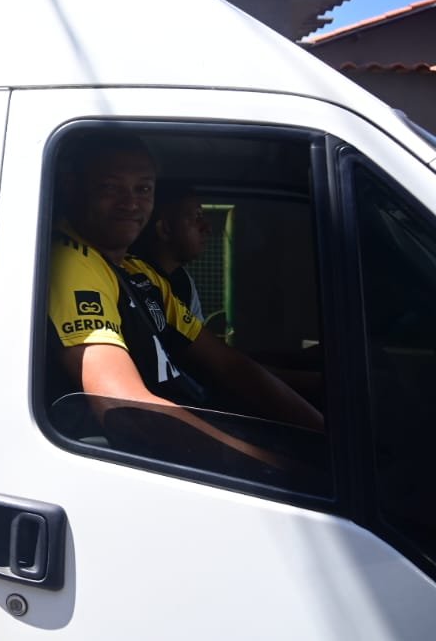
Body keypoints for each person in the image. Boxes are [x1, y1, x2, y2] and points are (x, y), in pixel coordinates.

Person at [46, 131, 323, 434]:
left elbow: (231, 365)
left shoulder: (137, 272)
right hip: (154, 457)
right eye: (110, 188)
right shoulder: (73, 262)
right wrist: (270, 466)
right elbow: (124, 408)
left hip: (192, 424)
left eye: (143, 189)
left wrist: (318, 431)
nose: (131, 203)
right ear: (73, 188)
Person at [130, 181, 208, 320]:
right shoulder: (127, 279)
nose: (207, 228)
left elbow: (196, 337)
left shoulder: (183, 282)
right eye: (197, 217)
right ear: (165, 228)